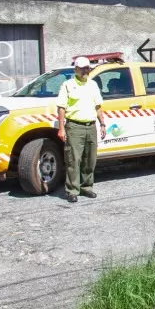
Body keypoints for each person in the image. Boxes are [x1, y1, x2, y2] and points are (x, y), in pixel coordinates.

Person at [56, 57, 106, 203]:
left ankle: (87, 187)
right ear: (76, 70)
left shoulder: (93, 85)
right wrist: (61, 128)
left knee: (90, 159)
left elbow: (98, 106)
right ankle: (72, 190)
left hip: (90, 126)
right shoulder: (68, 85)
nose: (86, 70)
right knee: (73, 159)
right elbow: (61, 108)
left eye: (88, 68)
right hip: (74, 126)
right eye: (83, 68)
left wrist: (102, 124)